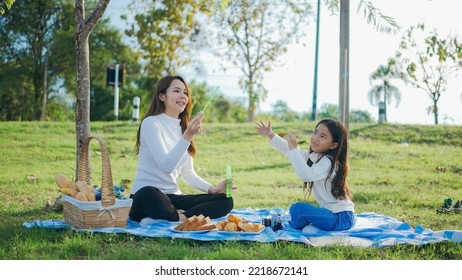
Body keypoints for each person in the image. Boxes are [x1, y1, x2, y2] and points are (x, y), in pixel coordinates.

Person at [129, 75, 235, 223]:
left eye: (185, 92)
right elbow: (165, 166)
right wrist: (188, 136)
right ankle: (170, 215)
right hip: (148, 197)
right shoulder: (151, 123)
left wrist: (213, 189)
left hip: (172, 198)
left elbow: (188, 173)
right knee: (148, 193)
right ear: (162, 96)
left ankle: (178, 218)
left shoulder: (184, 128)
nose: (183, 96)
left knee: (225, 201)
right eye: (177, 91)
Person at [255, 119, 354, 231]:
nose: (315, 138)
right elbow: (289, 151)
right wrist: (270, 134)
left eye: (323, 136)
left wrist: (293, 148)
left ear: (333, 145)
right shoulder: (315, 156)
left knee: (298, 209)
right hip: (331, 214)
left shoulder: (329, 162)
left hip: (340, 218)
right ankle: (301, 223)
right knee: (297, 210)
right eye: (315, 132)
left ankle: (292, 224)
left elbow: (306, 175)